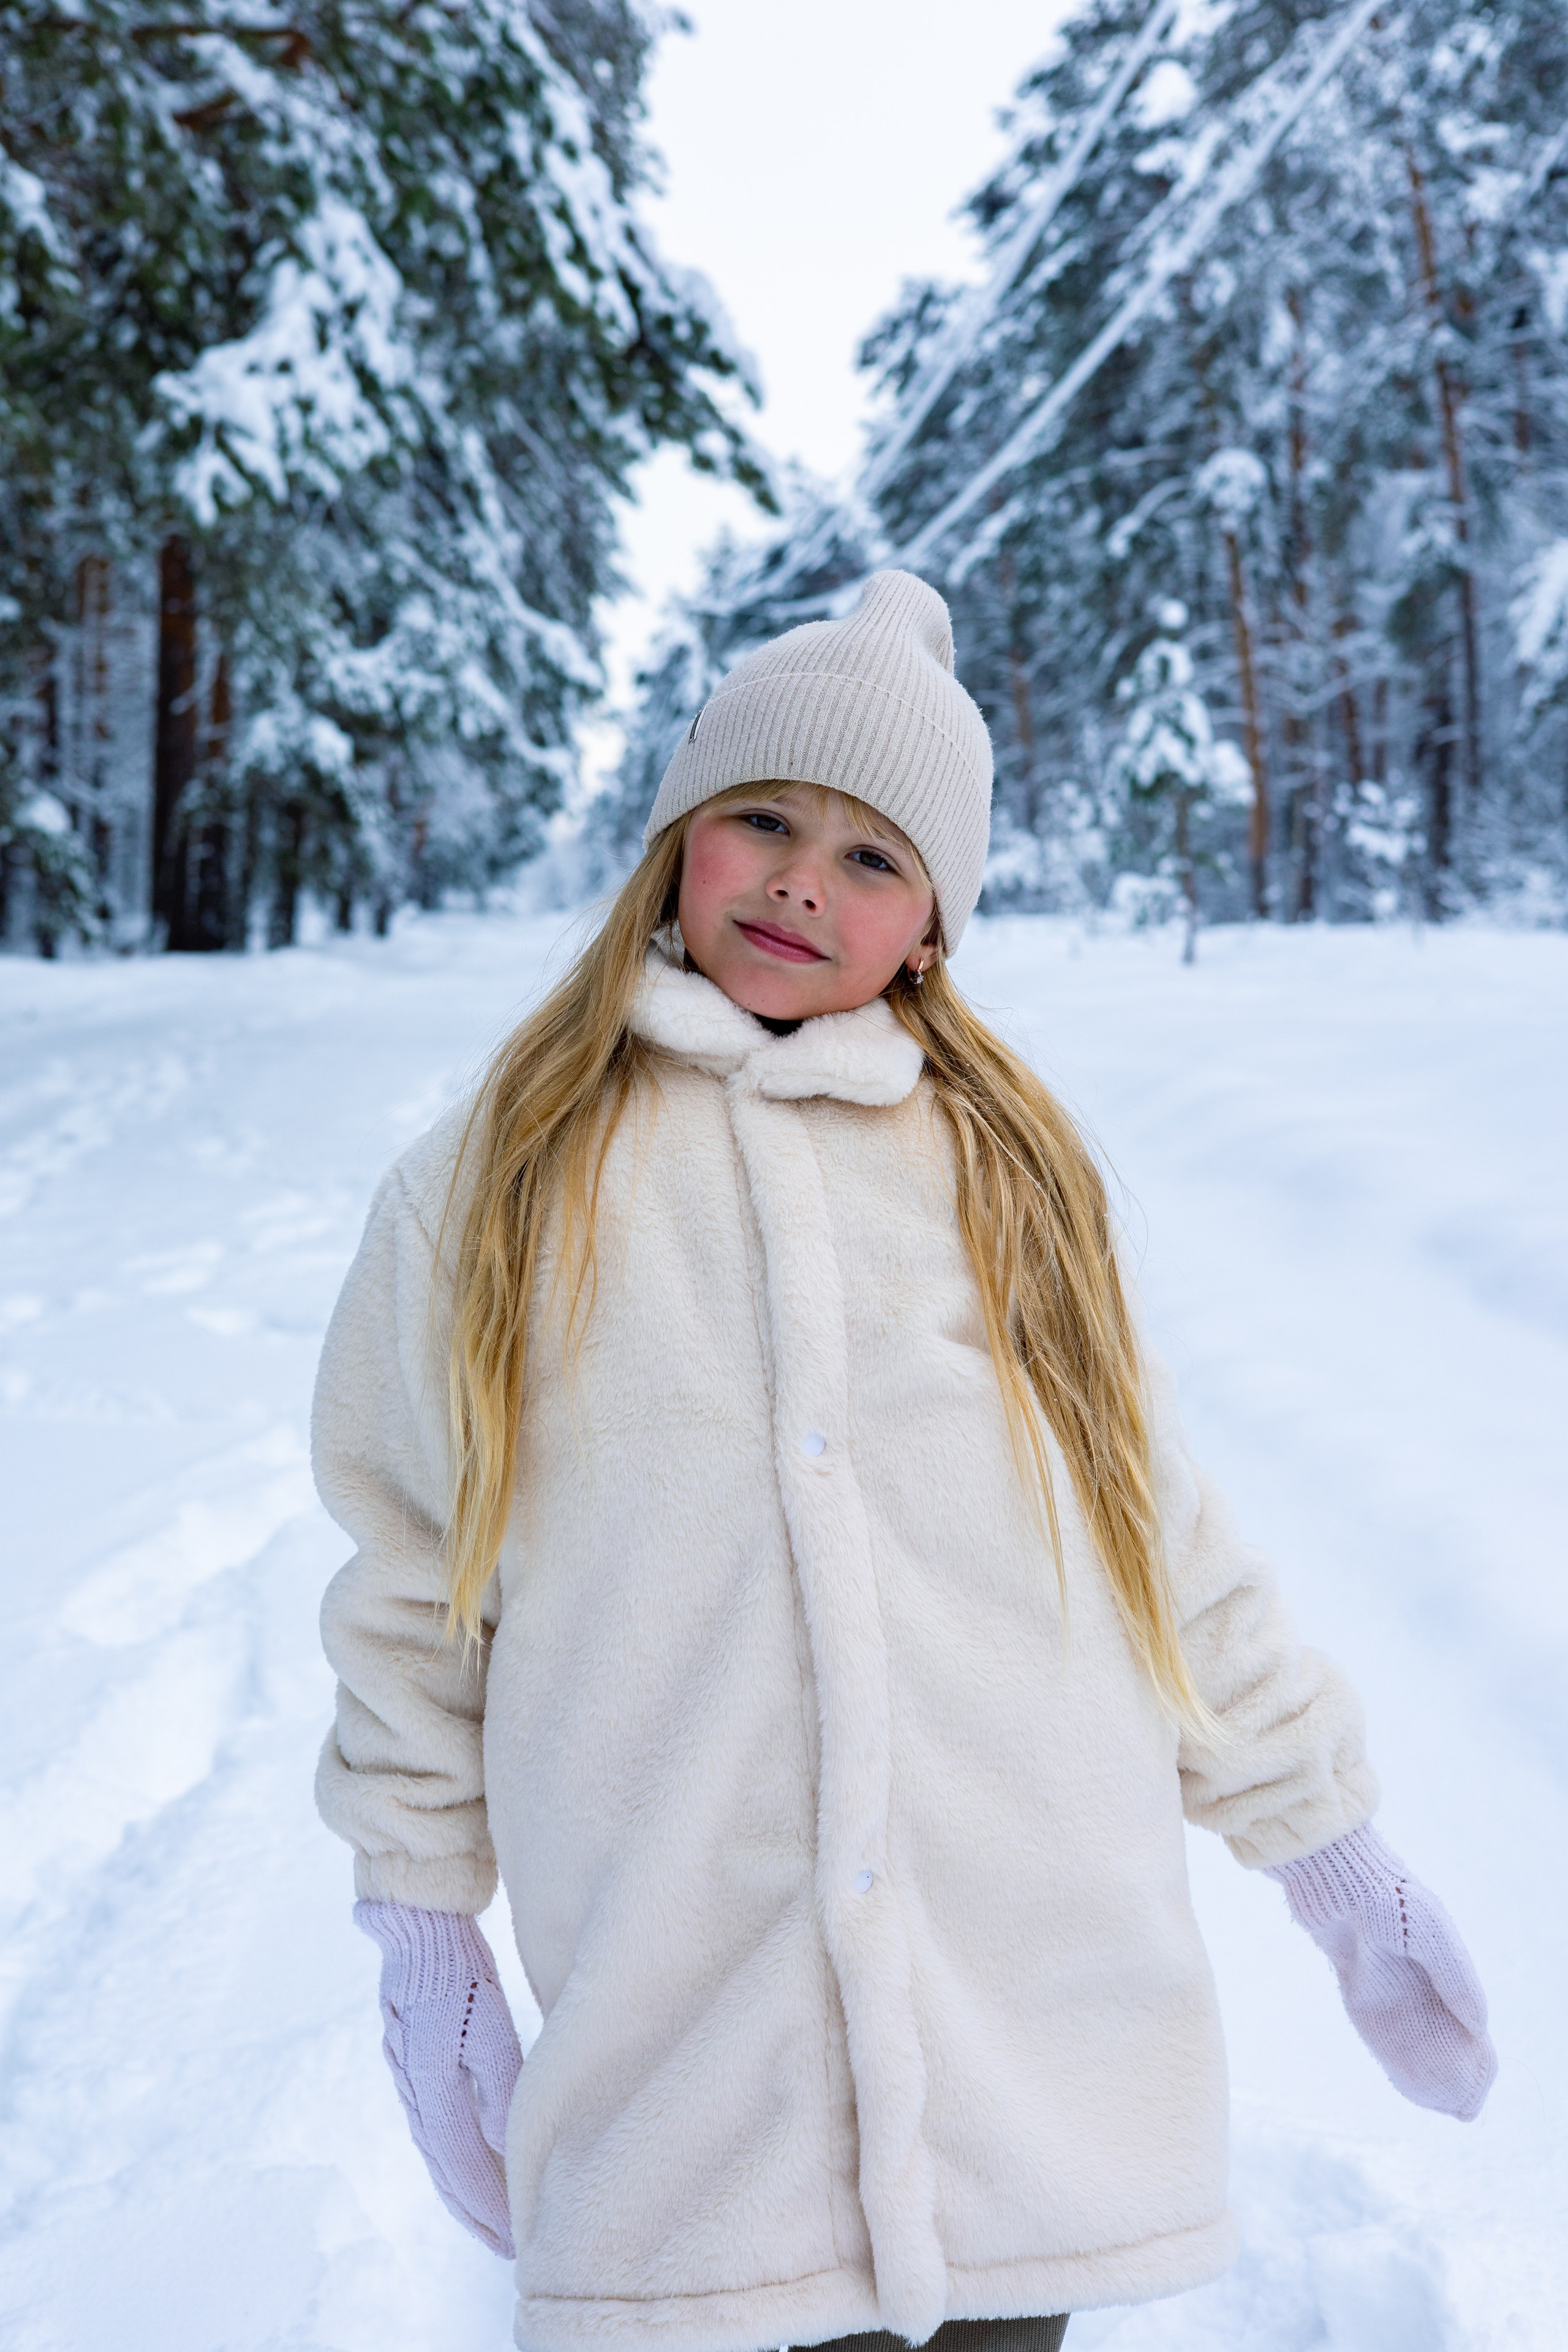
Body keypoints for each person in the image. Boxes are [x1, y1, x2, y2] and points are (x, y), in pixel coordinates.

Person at [312, 573, 1495, 2352]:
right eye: (764, 822)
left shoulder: (1003, 1173)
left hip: (1017, 2027)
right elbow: (412, 1576)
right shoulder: (502, 1174)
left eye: (875, 858)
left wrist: (1324, 1843)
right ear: (674, 845)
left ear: (934, 926)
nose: (804, 880)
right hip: (689, 2039)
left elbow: (1155, 1532)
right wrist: (423, 1925)